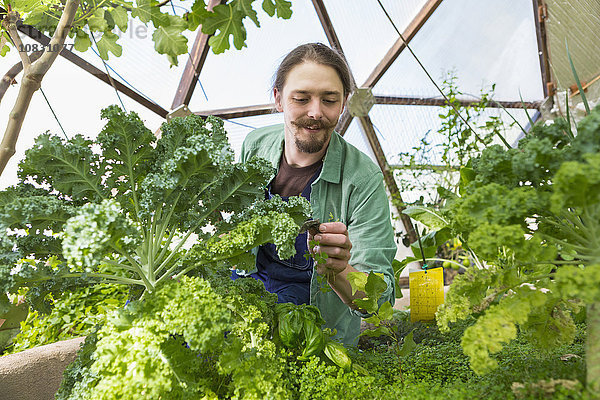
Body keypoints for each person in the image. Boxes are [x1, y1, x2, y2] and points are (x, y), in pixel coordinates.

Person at [232, 43, 397, 346]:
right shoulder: (255, 145)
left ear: (344, 102)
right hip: (246, 281)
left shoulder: (363, 179)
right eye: (301, 98)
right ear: (278, 98)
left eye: (329, 99)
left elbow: (377, 301)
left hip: (309, 312)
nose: (316, 112)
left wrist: (339, 271)